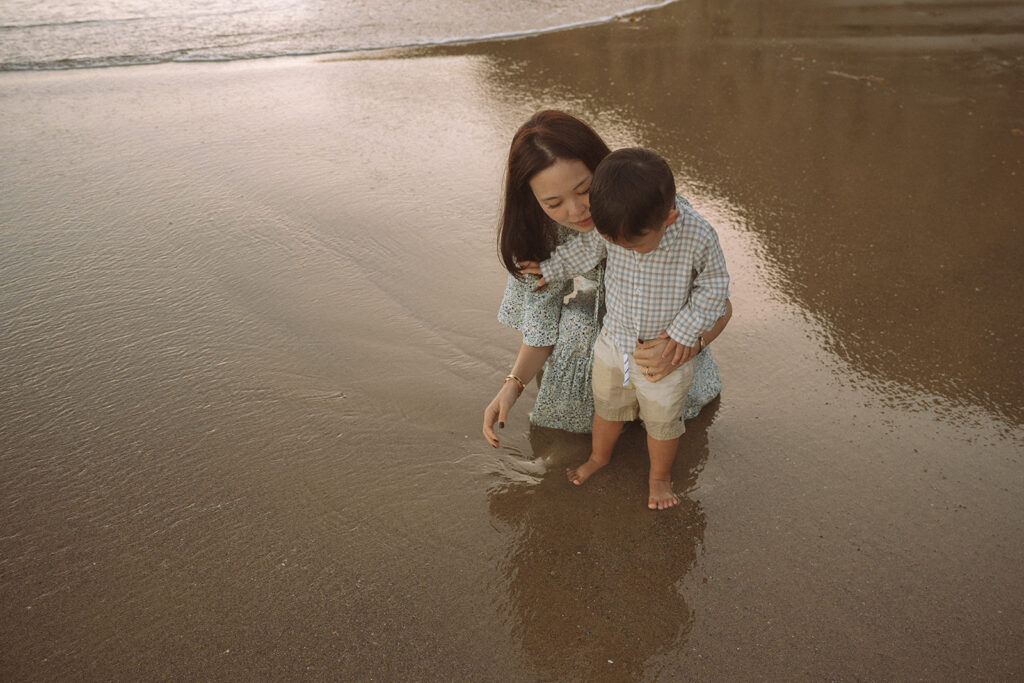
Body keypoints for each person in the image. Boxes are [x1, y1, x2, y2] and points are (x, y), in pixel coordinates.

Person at [481, 111, 732, 461]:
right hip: (606, 340)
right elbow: (539, 328)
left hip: (668, 334)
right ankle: (602, 426)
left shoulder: (652, 211)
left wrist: (685, 344)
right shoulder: (538, 237)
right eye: (553, 203)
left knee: (665, 407)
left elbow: (720, 301)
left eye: (585, 190)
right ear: (533, 201)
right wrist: (512, 387)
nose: (576, 211)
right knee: (578, 327)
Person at [519, 147, 730, 510]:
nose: (621, 248)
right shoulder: (611, 218)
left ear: (669, 217)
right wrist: (550, 269)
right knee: (608, 406)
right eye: (613, 242)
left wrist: (683, 334)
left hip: (666, 351)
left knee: (663, 420)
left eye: (634, 244)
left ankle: (659, 478)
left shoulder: (697, 235)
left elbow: (715, 288)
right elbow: (585, 250)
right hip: (614, 340)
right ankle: (599, 457)